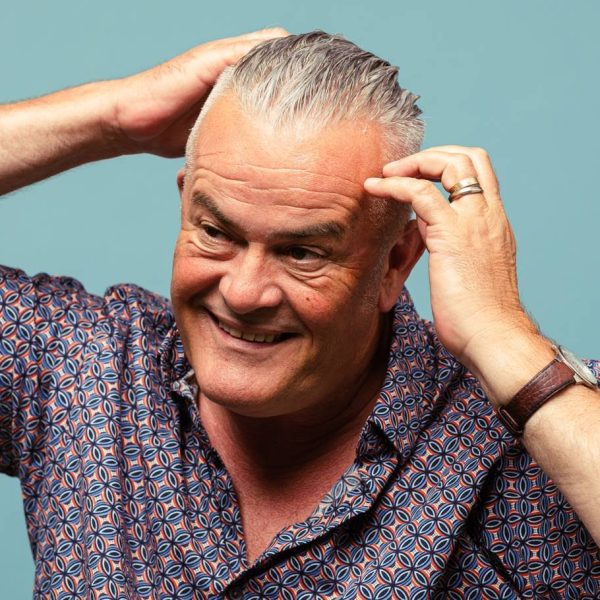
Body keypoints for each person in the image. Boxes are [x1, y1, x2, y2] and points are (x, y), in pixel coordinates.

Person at [1, 28, 599, 599]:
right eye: (215, 232)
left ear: (395, 262)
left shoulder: (537, 433)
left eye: (302, 253)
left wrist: (503, 335)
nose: (244, 293)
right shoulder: (85, 369)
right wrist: (113, 118)